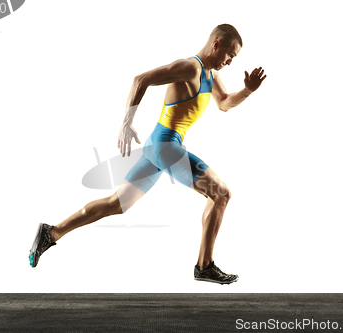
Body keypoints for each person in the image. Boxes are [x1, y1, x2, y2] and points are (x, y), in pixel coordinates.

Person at [29, 24, 266, 284]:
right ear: (217, 44)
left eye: (235, 58)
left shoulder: (211, 75)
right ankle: (204, 265)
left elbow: (223, 104)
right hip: (166, 146)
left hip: (159, 147)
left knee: (115, 204)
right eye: (230, 55)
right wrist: (126, 123)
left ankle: (51, 233)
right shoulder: (192, 67)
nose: (231, 62)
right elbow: (141, 79)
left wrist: (247, 91)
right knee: (221, 194)